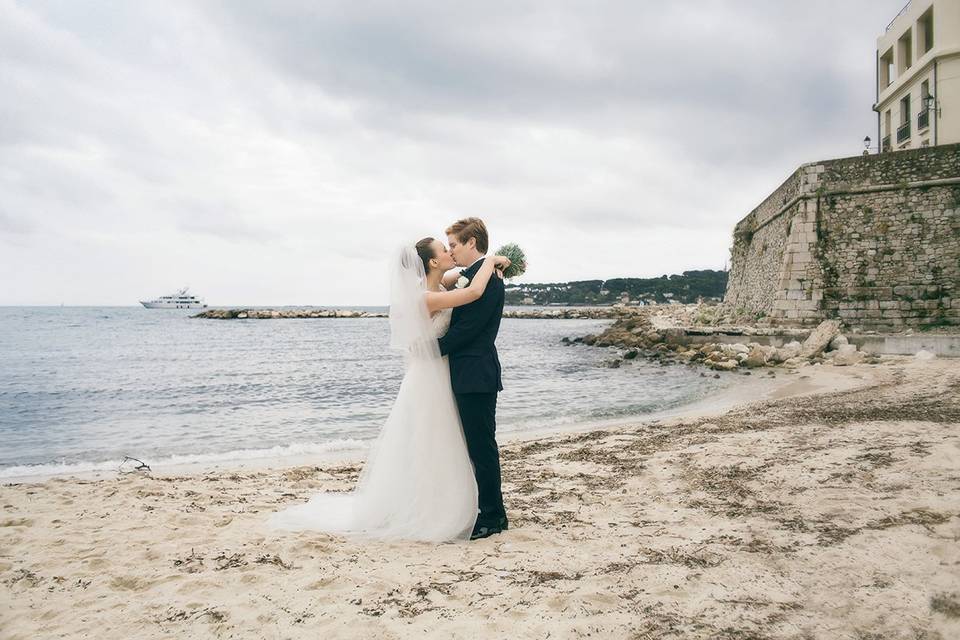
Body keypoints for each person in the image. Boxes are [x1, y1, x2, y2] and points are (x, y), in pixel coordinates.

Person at [267, 238, 509, 543]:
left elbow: (460, 276)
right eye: (444, 249)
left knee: (444, 442)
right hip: (430, 377)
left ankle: (455, 505)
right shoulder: (427, 298)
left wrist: (490, 263)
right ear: (433, 262)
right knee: (429, 441)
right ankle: (430, 508)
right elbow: (473, 291)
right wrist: (493, 260)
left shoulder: (441, 284)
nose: (450, 252)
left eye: (451, 246)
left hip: (441, 374)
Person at [438, 217, 508, 540]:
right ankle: (484, 509)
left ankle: (493, 516)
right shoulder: (473, 274)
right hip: (466, 373)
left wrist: (432, 348)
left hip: (476, 373)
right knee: (475, 447)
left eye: (453, 244)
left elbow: (469, 329)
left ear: (471, 242)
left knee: (482, 447)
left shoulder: (489, 279)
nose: (451, 250)